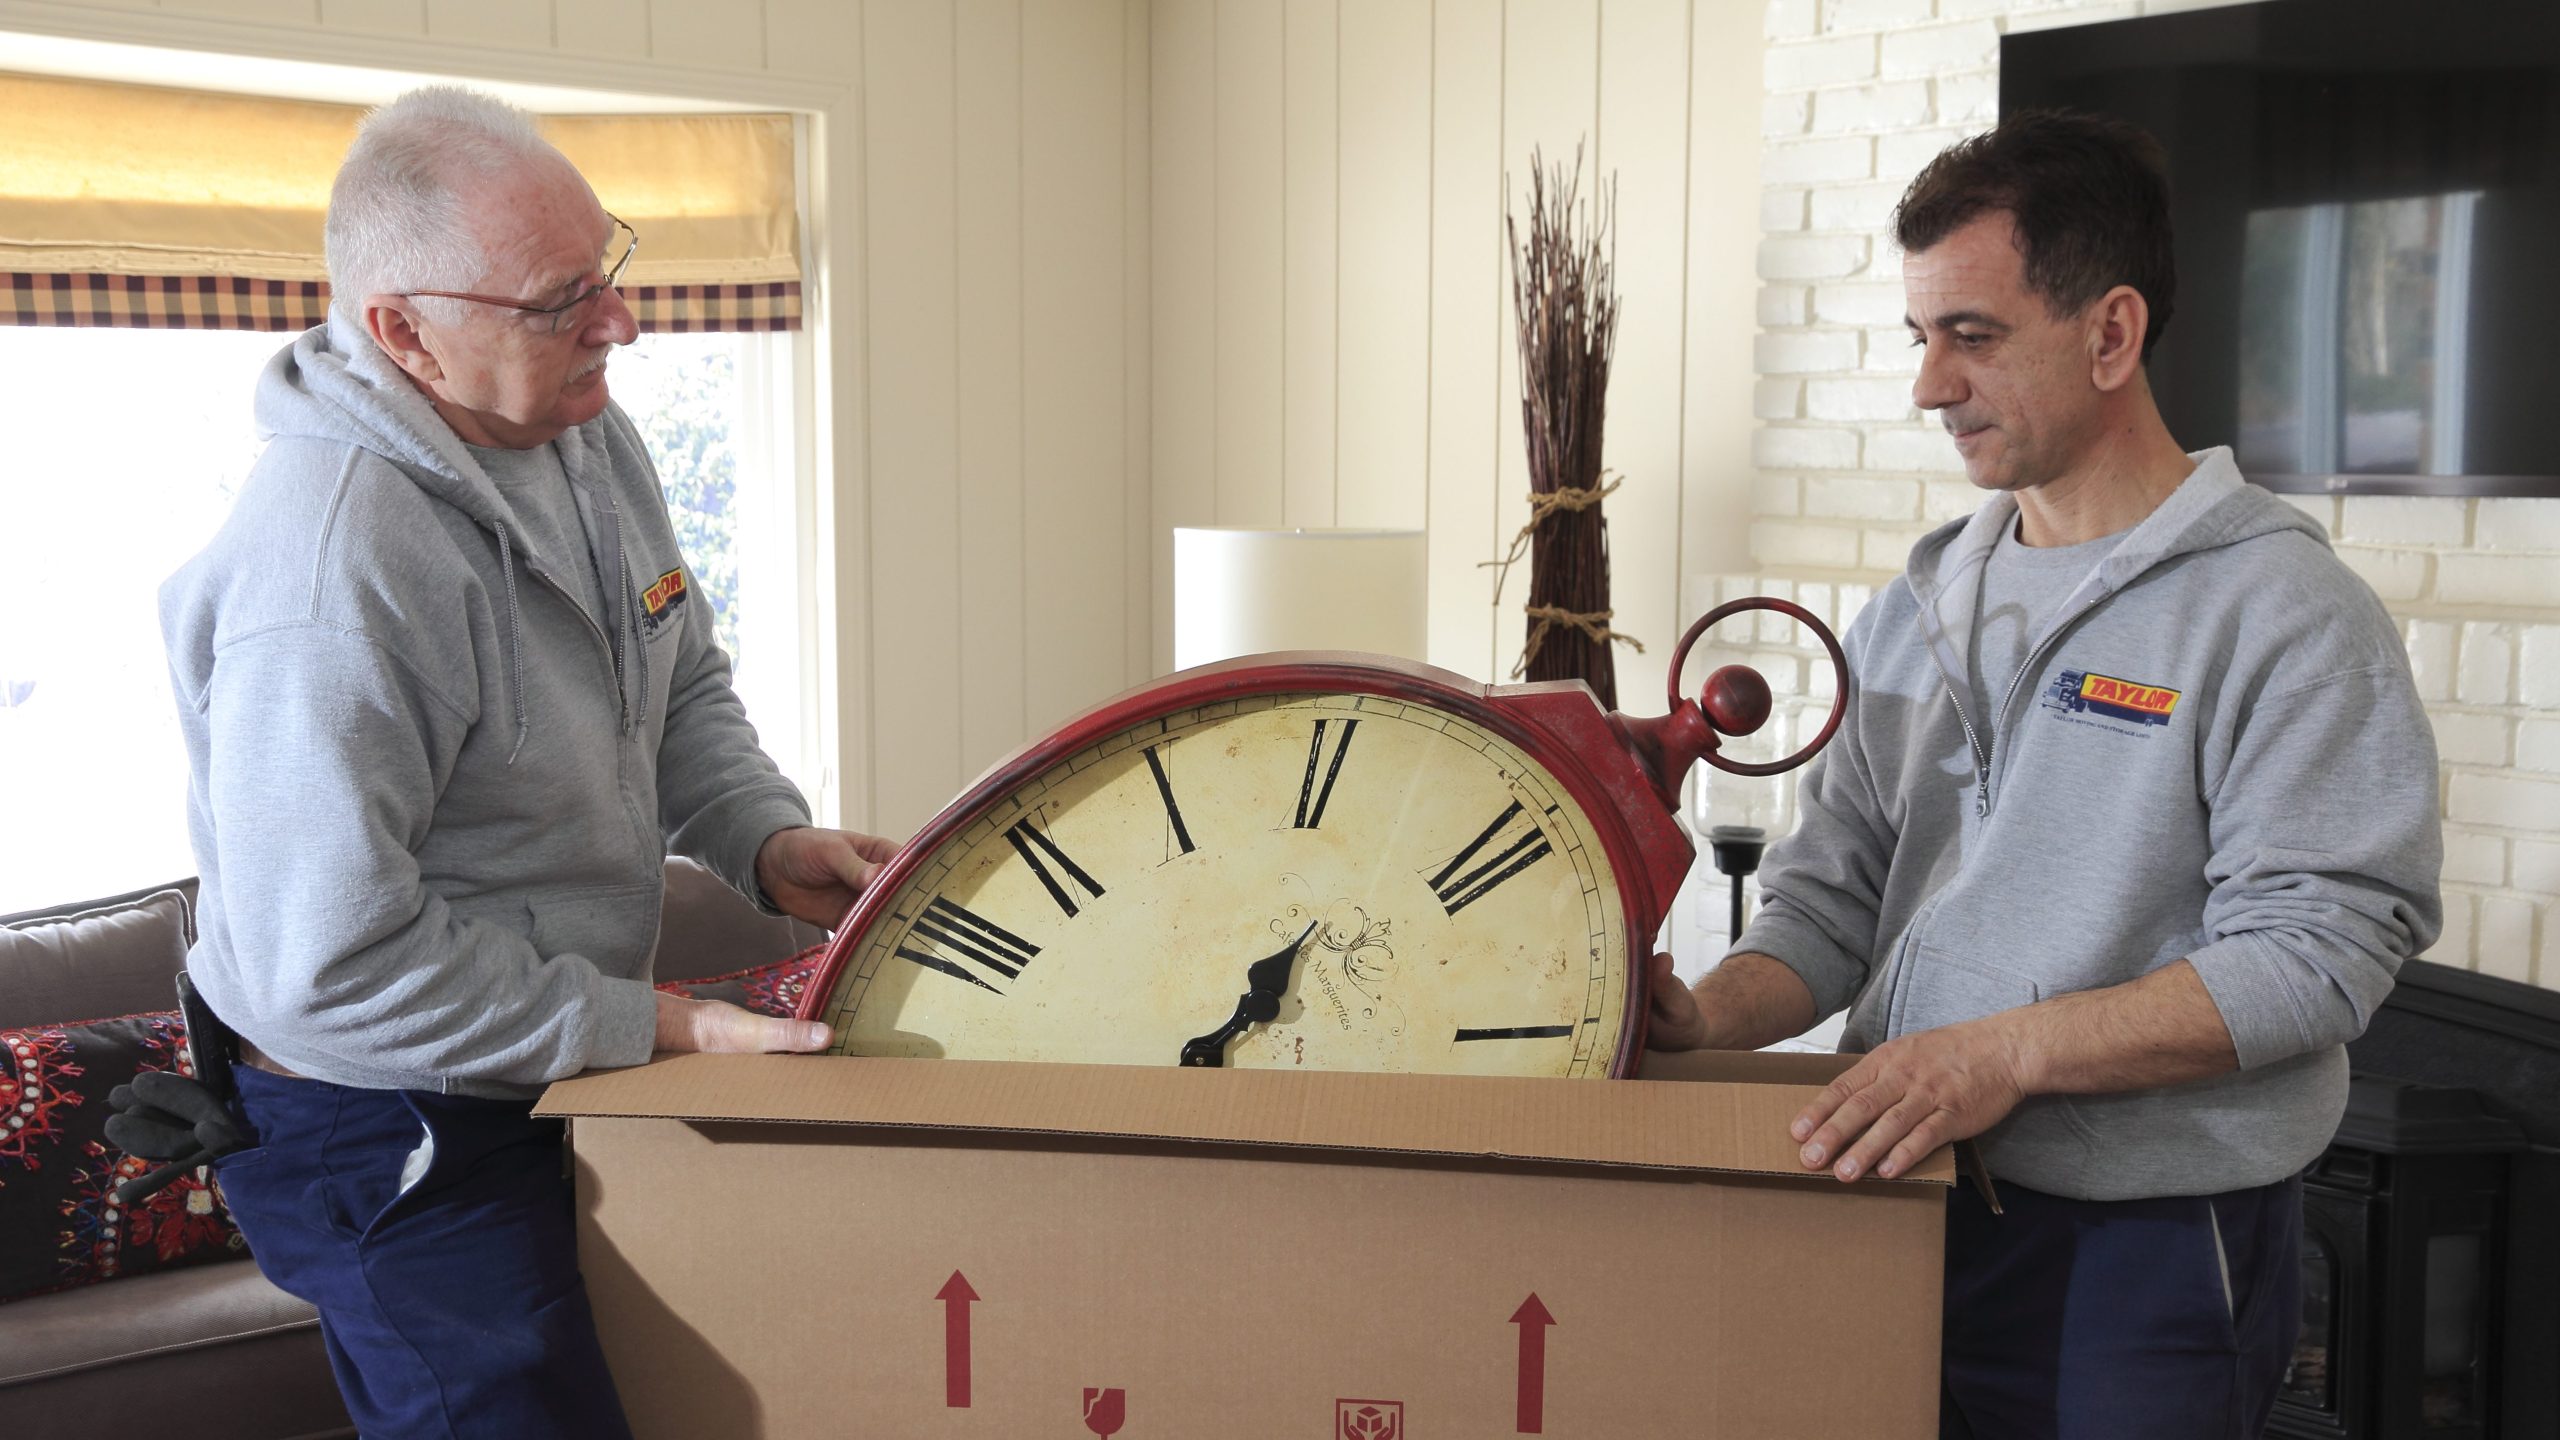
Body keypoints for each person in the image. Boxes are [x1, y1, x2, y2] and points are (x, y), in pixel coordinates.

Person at [1646, 110, 2441, 1439]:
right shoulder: (1921, 601)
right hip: (1898, 1204)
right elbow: (1834, 897)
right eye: (1919, 339)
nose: (1928, 387)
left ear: (2111, 333)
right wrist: (1714, 1016)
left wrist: (2006, 1052)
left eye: (1974, 335)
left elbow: (2319, 954)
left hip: (2147, 1253)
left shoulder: (2286, 613)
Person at [157, 87, 893, 1439]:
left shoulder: (584, 436)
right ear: (404, 333)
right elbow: (337, 968)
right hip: (383, 1114)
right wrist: (657, 1025)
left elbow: (676, 685)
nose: (621, 322)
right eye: (561, 300)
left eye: (609, 267)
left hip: (540, 1055)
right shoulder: (328, 576)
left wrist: (759, 835)